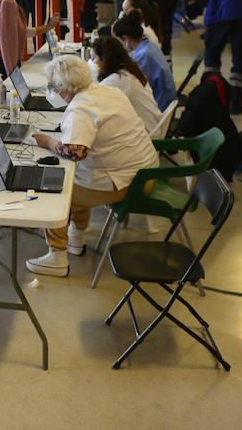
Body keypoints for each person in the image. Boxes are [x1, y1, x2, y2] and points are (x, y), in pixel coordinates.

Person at [23, 55, 160, 277]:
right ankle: (76, 237)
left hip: (124, 184)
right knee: (78, 175)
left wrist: (48, 142)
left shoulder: (80, 108)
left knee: (54, 188)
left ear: (65, 87)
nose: (50, 90)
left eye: (51, 85)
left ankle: (57, 256)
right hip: (144, 172)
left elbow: (75, 152)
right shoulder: (107, 91)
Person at [89, 35, 160, 134]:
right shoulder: (129, 71)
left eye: (93, 58)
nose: (92, 62)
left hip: (146, 135)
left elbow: (91, 103)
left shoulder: (118, 79)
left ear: (104, 58)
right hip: (152, 126)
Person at [113, 14, 176, 111]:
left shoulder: (142, 56)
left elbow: (135, 86)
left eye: (119, 41)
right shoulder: (149, 45)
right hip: (166, 101)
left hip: (159, 106)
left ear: (125, 38)